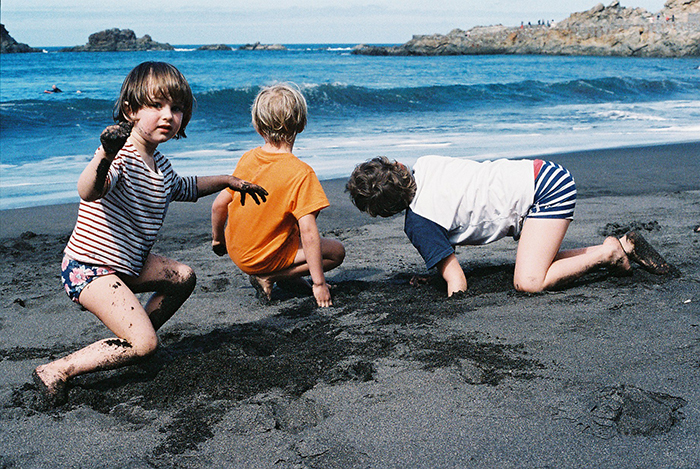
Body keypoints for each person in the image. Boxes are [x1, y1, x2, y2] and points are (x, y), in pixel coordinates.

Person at [32, 62, 268, 407]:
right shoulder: (120, 157)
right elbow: (88, 190)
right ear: (131, 110)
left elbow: (187, 187)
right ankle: (57, 369)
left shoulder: (161, 166)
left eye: (176, 108)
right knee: (144, 345)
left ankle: (138, 334)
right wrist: (105, 153)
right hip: (90, 268)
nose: (168, 115)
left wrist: (229, 181)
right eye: (156, 105)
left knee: (183, 277)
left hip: (127, 264)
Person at [346, 155, 674, 297]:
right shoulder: (427, 165)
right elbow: (456, 204)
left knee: (529, 281)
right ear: (399, 167)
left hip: (545, 193)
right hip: (541, 172)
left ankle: (610, 252)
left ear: (384, 212)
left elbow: (457, 280)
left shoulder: (419, 223)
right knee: (536, 265)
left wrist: (450, 294)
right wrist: (436, 271)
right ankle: (622, 247)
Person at [211, 83, 345, 307]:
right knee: (336, 252)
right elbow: (309, 232)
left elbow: (218, 204)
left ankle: (284, 276)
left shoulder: (247, 158)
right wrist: (319, 283)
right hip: (263, 259)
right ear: (301, 124)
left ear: (257, 126)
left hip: (237, 252)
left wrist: (218, 239)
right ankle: (271, 276)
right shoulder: (301, 173)